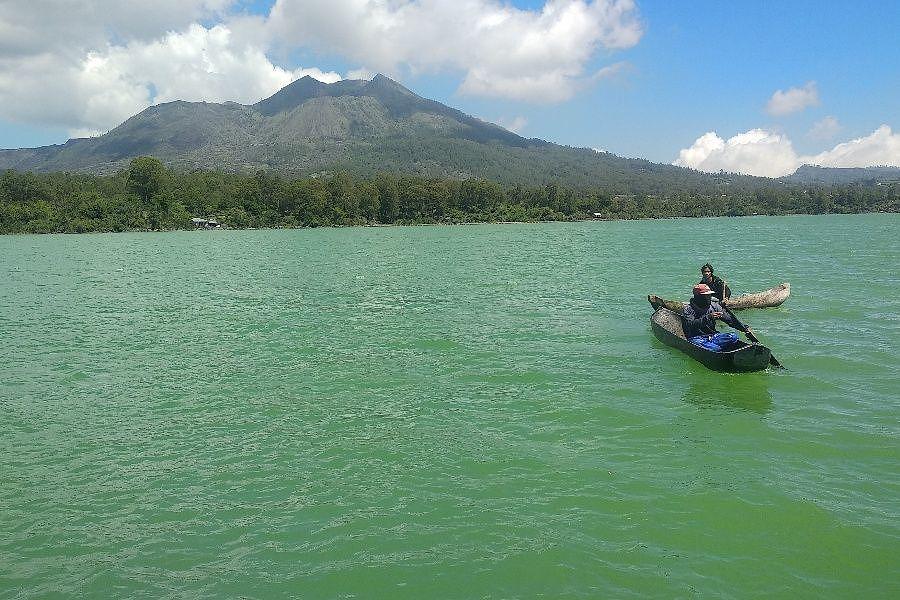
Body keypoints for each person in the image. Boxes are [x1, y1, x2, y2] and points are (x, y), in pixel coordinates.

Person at [683, 283, 752, 351]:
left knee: (733, 337)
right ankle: (716, 348)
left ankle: (714, 346)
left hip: (713, 336)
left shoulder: (714, 306)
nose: (709, 297)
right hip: (696, 338)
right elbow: (690, 325)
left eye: (709, 295)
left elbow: (730, 320)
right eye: (706, 295)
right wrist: (709, 317)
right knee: (715, 348)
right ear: (698, 296)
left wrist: (744, 328)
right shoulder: (688, 309)